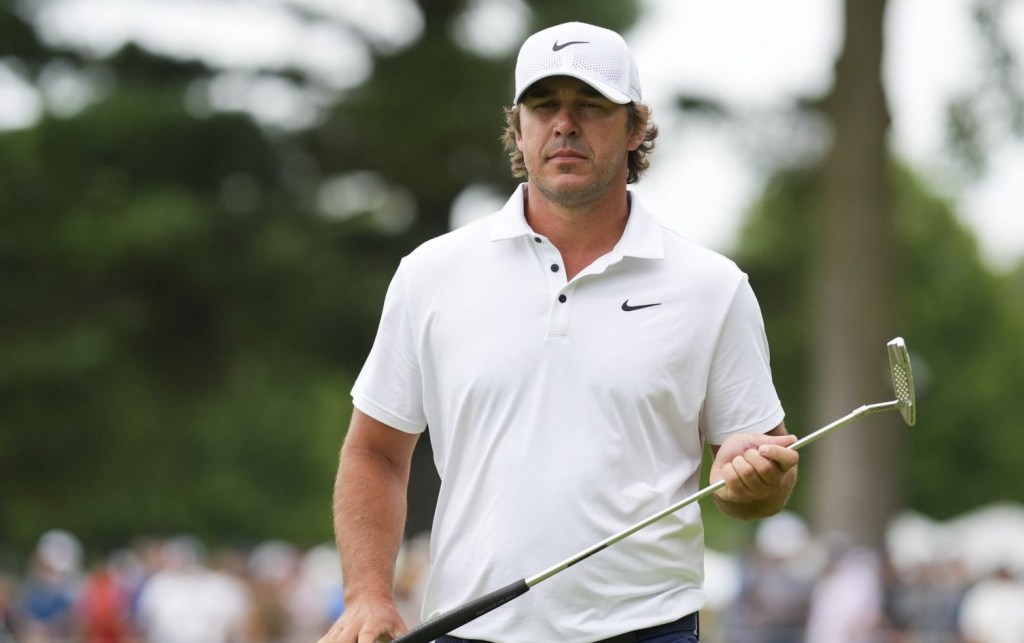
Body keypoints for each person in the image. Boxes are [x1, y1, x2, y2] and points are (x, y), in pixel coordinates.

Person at [319, 21, 799, 643]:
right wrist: (367, 596)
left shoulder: (712, 286)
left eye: (591, 106)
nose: (564, 124)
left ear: (634, 128)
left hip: (647, 630)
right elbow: (374, 452)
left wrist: (756, 483)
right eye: (545, 106)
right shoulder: (431, 275)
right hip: (470, 629)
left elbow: (757, 479)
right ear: (518, 127)